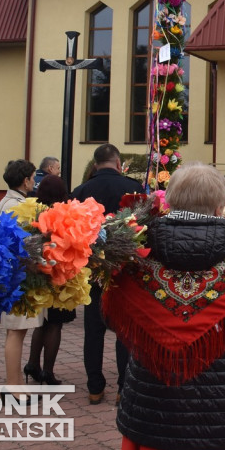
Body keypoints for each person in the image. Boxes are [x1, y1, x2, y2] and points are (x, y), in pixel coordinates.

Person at [103, 163, 225, 450]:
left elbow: (112, 318)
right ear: (221, 206)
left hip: (154, 410)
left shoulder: (137, 260)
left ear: (169, 201)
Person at [71, 143, 143, 404]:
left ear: (95, 164)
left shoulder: (80, 191)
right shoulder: (132, 187)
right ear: (118, 162)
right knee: (124, 329)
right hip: (124, 267)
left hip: (92, 268)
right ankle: (123, 387)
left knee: (93, 329)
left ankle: (94, 386)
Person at [0, 159, 46, 399]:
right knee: (16, 331)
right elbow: (23, 242)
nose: (35, 181)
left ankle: (15, 383)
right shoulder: (16, 205)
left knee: (16, 331)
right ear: (25, 180)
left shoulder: (8, 201)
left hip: (15, 274)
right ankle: (12, 387)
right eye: (34, 176)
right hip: (19, 276)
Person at [24, 174, 77, 386]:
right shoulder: (63, 214)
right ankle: (47, 371)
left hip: (39, 272)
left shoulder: (34, 212)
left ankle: (32, 364)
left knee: (41, 322)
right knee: (55, 324)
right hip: (60, 272)